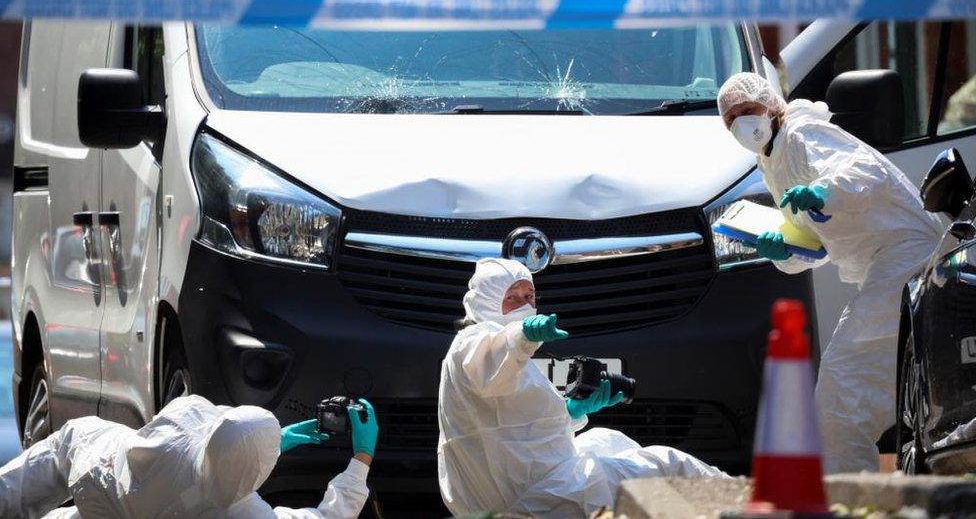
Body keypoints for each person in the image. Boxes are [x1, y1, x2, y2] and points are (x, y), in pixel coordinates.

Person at [716, 72, 944, 473]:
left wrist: (824, 191)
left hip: (902, 256)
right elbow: (816, 242)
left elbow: (862, 172)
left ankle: (851, 497)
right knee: (900, 387)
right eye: (731, 118)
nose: (742, 123)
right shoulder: (773, 160)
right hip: (886, 266)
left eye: (748, 110)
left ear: (770, 105)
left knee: (842, 390)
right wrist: (781, 250)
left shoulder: (803, 133)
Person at [437, 258, 725, 518]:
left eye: (529, 296)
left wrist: (571, 411)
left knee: (608, 438)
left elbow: (517, 430)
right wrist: (523, 333)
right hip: (530, 497)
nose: (524, 306)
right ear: (486, 301)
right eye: (511, 298)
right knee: (667, 464)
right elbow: (492, 355)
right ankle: (744, 508)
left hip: (529, 483)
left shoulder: (505, 359)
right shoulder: (471, 343)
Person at [0, 394, 378, 518]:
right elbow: (327, 516)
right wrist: (362, 456)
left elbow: (214, 427)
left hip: (105, 487)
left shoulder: (177, 427)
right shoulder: (238, 511)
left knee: (56, 451)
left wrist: (272, 439)